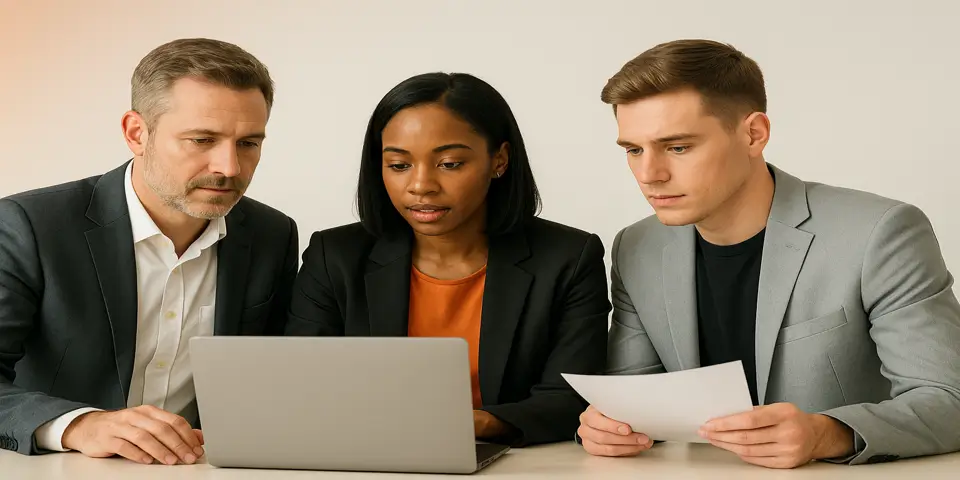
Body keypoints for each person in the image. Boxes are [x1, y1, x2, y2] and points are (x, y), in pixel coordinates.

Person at [577, 39, 960, 468]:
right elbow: (633, 396)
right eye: (633, 150)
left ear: (753, 134)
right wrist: (608, 426)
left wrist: (827, 433)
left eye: (678, 147)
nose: (650, 174)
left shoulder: (879, 232)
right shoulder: (636, 246)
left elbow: (949, 399)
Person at [0, 38, 299, 464]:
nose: (229, 167)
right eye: (202, 139)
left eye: (249, 143)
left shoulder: (273, 234)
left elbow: (277, 377)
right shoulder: (29, 225)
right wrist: (79, 425)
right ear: (136, 133)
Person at [285, 72, 610, 446]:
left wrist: (480, 423)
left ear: (499, 160)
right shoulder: (334, 256)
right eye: (399, 165)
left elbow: (569, 398)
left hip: (514, 463)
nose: (421, 185)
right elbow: (305, 386)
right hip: (367, 457)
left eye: (450, 163)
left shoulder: (568, 257)